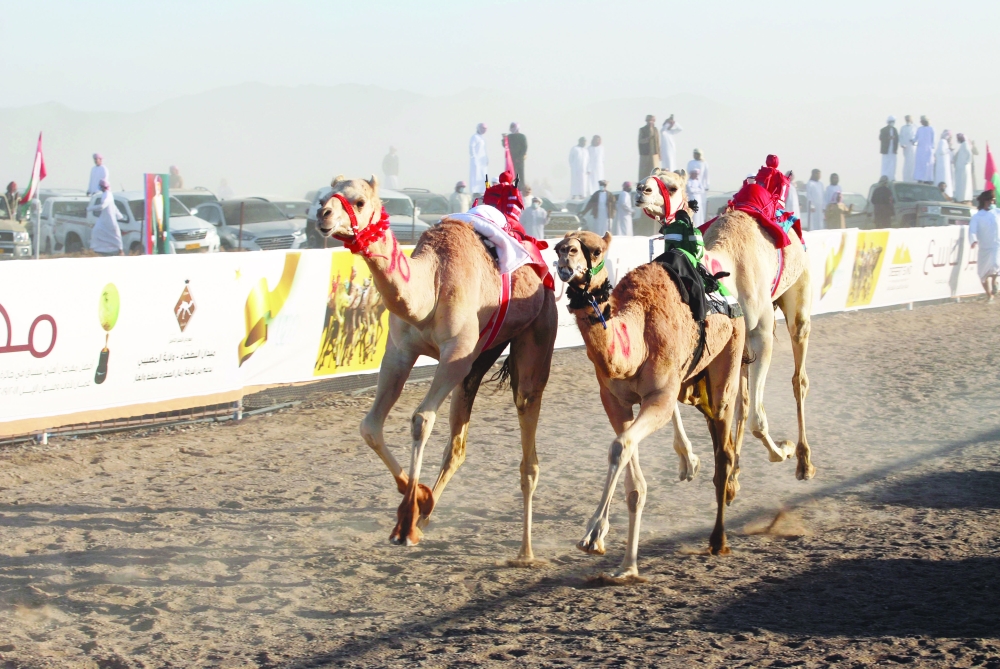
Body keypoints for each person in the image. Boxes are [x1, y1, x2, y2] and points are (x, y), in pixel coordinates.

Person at [969, 190, 1000, 300]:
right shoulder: (977, 216)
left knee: (996, 265)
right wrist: (973, 240)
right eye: (990, 200)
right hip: (984, 248)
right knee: (982, 274)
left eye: (993, 200)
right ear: (985, 201)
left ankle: (994, 281)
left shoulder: (997, 212)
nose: (992, 202)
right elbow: (972, 230)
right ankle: (989, 295)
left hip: (997, 245)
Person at [88, 179, 125, 256]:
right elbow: (114, 207)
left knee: (115, 235)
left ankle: (121, 251)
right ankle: (92, 250)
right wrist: (120, 216)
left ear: (103, 187)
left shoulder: (107, 195)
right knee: (96, 231)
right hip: (104, 218)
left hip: (109, 219)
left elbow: (102, 206)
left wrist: (89, 208)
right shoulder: (106, 194)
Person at [505, 123, 527, 191]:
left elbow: (524, 147)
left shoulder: (522, 136)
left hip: (519, 159)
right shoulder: (509, 136)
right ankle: (512, 188)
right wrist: (504, 139)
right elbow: (506, 146)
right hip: (511, 160)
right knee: (512, 174)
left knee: (520, 174)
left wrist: (519, 157)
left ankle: (521, 189)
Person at [637, 114, 660, 181]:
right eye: (649, 120)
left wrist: (659, 153)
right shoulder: (642, 129)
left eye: (652, 120)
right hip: (645, 154)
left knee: (655, 171)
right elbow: (640, 141)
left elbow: (658, 142)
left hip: (654, 154)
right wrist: (648, 139)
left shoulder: (655, 130)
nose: (651, 122)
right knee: (644, 172)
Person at [469, 123, 488, 198]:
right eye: (483, 128)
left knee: (483, 176)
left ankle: (483, 191)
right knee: (476, 175)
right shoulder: (474, 137)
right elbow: (471, 147)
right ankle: (476, 192)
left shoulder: (482, 138)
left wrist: (486, 159)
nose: (484, 130)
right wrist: (474, 158)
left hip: (482, 161)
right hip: (476, 161)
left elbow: (483, 150)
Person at [914, 116, 935, 184]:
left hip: (928, 150)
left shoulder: (931, 129)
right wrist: (912, 141)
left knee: (928, 165)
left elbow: (933, 140)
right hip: (920, 150)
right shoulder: (919, 129)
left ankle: (928, 179)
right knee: (920, 164)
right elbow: (916, 138)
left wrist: (932, 149)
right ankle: (920, 179)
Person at [934, 130, 954, 198]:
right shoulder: (942, 141)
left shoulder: (945, 142)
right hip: (942, 164)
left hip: (945, 164)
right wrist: (949, 149)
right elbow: (942, 151)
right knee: (943, 176)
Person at [954, 133, 973, 203]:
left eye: (958, 138)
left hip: (964, 168)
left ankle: (963, 198)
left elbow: (969, 154)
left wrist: (966, 162)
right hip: (961, 168)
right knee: (961, 184)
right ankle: (960, 198)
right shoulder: (963, 145)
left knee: (964, 184)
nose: (957, 139)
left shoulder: (965, 144)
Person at [899, 115, 917, 182]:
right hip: (906, 149)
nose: (908, 121)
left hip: (913, 148)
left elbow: (918, 137)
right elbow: (900, 137)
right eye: (906, 119)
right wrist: (902, 144)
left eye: (909, 119)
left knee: (913, 163)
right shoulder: (903, 128)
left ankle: (914, 179)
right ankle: (906, 179)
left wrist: (915, 142)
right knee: (907, 164)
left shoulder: (915, 127)